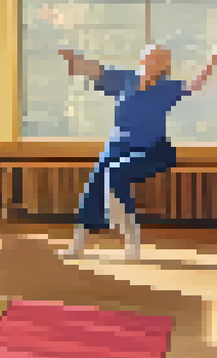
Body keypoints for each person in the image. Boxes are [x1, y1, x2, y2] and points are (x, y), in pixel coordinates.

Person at [58, 44, 215, 261]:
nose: (152, 62)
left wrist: (212, 61)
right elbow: (97, 71)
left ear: (165, 66)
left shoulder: (166, 88)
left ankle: (132, 243)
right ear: (142, 58)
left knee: (115, 174)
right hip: (116, 147)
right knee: (94, 187)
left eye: (158, 60)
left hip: (151, 150)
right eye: (149, 57)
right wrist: (76, 59)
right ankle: (78, 245)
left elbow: (194, 85)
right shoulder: (125, 79)